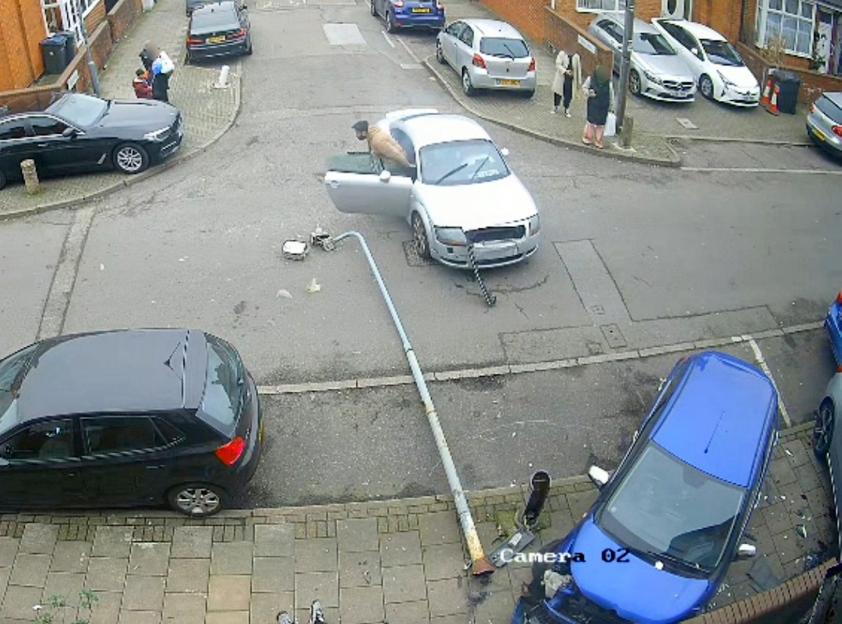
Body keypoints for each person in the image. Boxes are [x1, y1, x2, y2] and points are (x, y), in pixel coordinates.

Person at [581, 64, 614, 150]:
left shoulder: (608, 83)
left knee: (601, 124)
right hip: (593, 104)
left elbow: (611, 96)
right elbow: (584, 88)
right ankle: (588, 137)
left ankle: (598, 140)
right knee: (591, 122)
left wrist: (611, 107)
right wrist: (589, 93)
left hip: (604, 106)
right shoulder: (590, 79)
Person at [551, 50, 581, 117]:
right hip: (562, 77)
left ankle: (566, 108)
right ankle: (556, 106)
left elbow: (578, 69)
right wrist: (565, 71)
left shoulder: (576, 56)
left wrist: (579, 81)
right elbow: (558, 64)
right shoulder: (562, 54)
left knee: (568, 94)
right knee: (558, 93)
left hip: (570, 79)